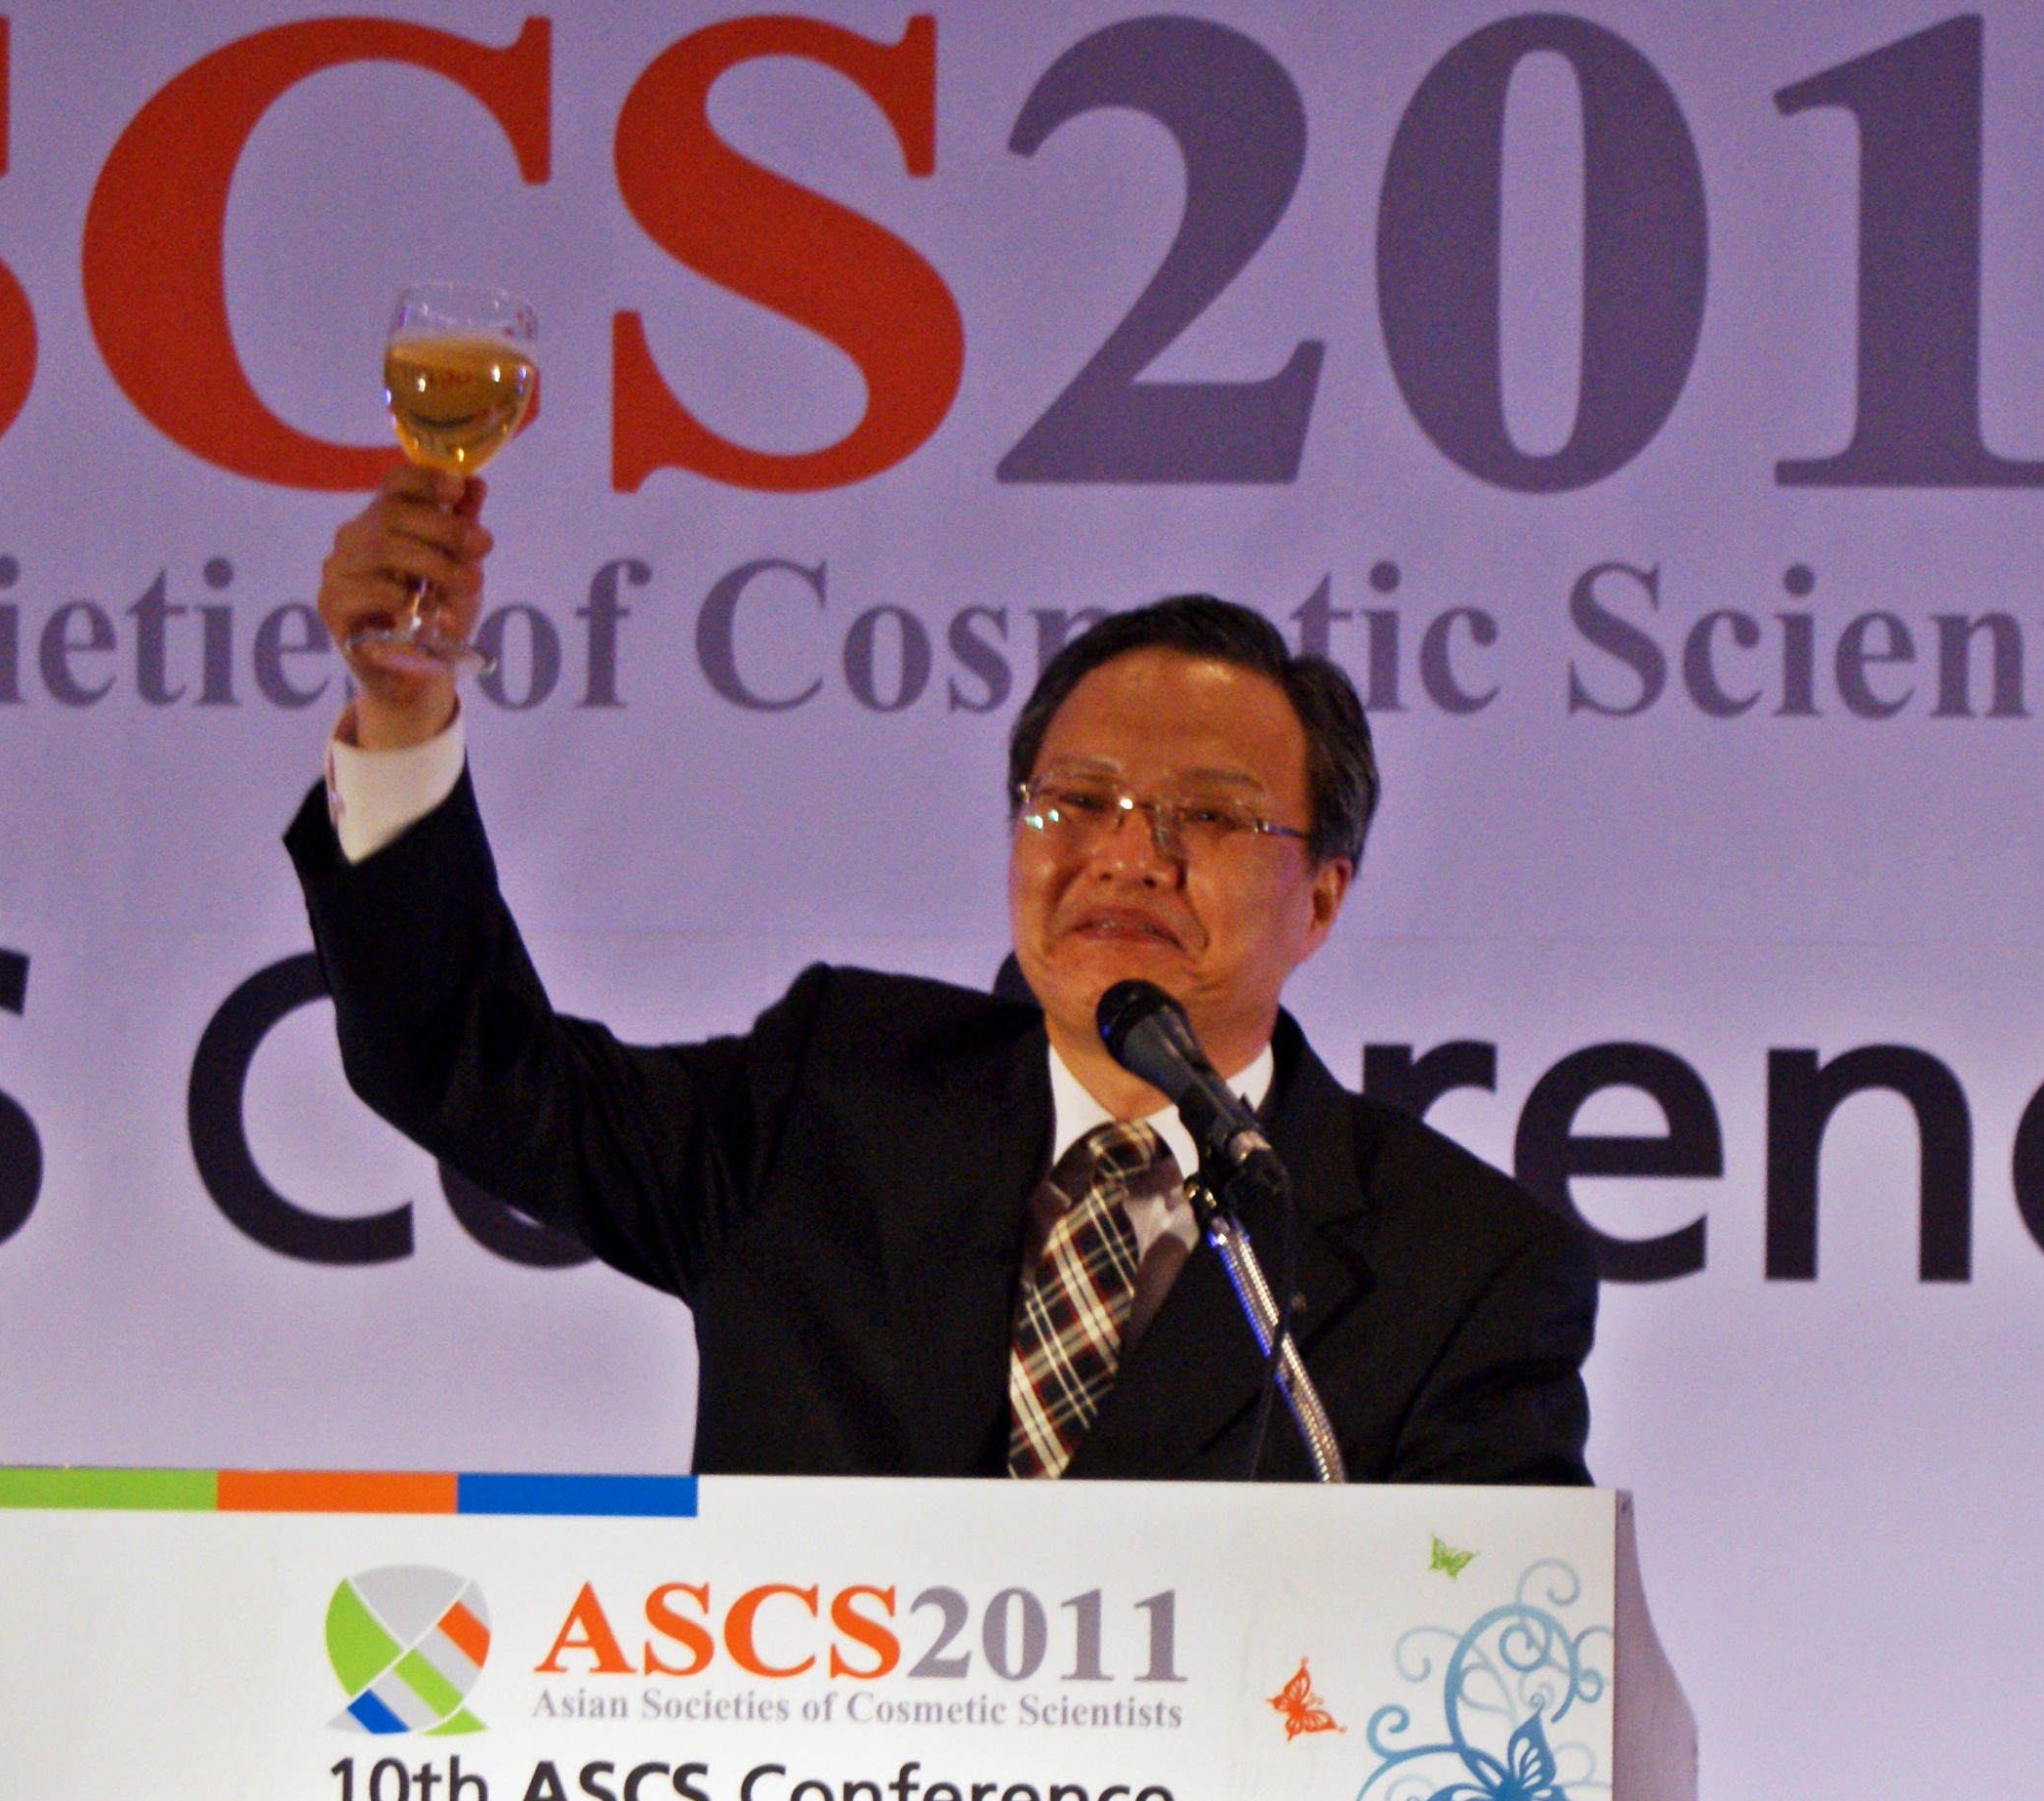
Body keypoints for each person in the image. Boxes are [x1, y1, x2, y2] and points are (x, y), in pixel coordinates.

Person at [285, 462, 1596, 1484]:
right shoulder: (827, 1101)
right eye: (1076, 799)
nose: (1126, 855)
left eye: (1206, 814)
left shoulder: (1459, 1267)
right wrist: (402, 711)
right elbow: (461, 1062)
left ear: (1322, 895)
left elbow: (1498, 1664)